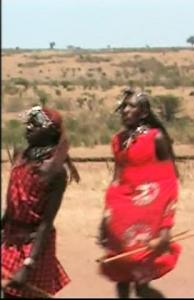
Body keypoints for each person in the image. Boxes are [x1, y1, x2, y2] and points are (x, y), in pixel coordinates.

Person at [98, 89, 181, 298]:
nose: (125, 110)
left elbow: (170, 182)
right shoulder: (118, 141)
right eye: (123, 106)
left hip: (147, 218)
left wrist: (165, 229)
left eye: (131, 106)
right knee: (121, 278)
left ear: (143, 112)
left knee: (142, 283)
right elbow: (116, 180)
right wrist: (105, 218)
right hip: (121, 216)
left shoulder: (157, 138)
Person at [1, 105, 80, 298]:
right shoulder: (21, 155)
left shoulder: (55, 172)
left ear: (49, 132)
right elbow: (12, 204)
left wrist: (28, 265)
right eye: (28, 124)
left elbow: (46, 223)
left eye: (35, 125)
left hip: (34, 245)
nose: (28, 128)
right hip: (10, 237)